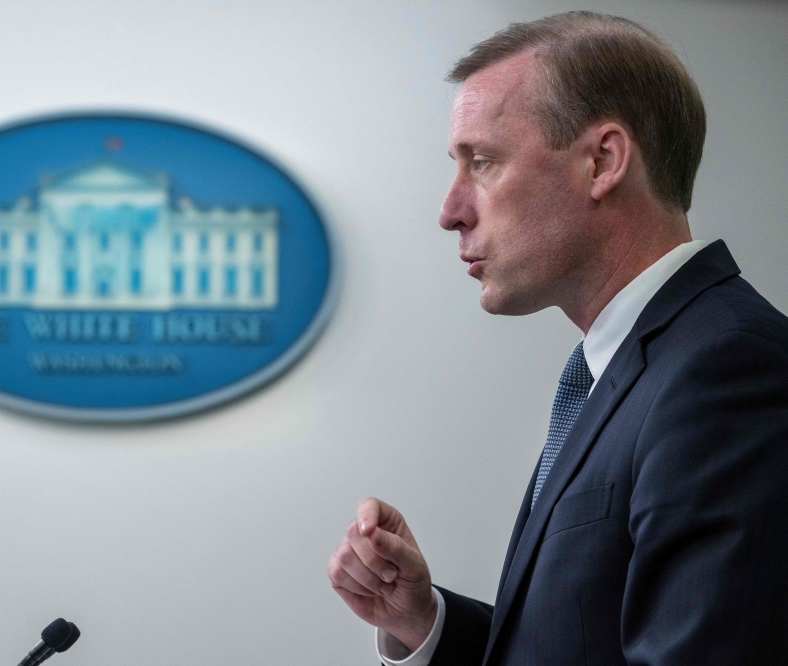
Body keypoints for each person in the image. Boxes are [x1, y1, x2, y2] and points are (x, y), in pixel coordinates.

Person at [326, 11, 788, 665]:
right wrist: (426, 623)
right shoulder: (624, 369)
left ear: (602, 161)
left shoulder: (728, 368)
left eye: (481, 162)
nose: (450, 210)